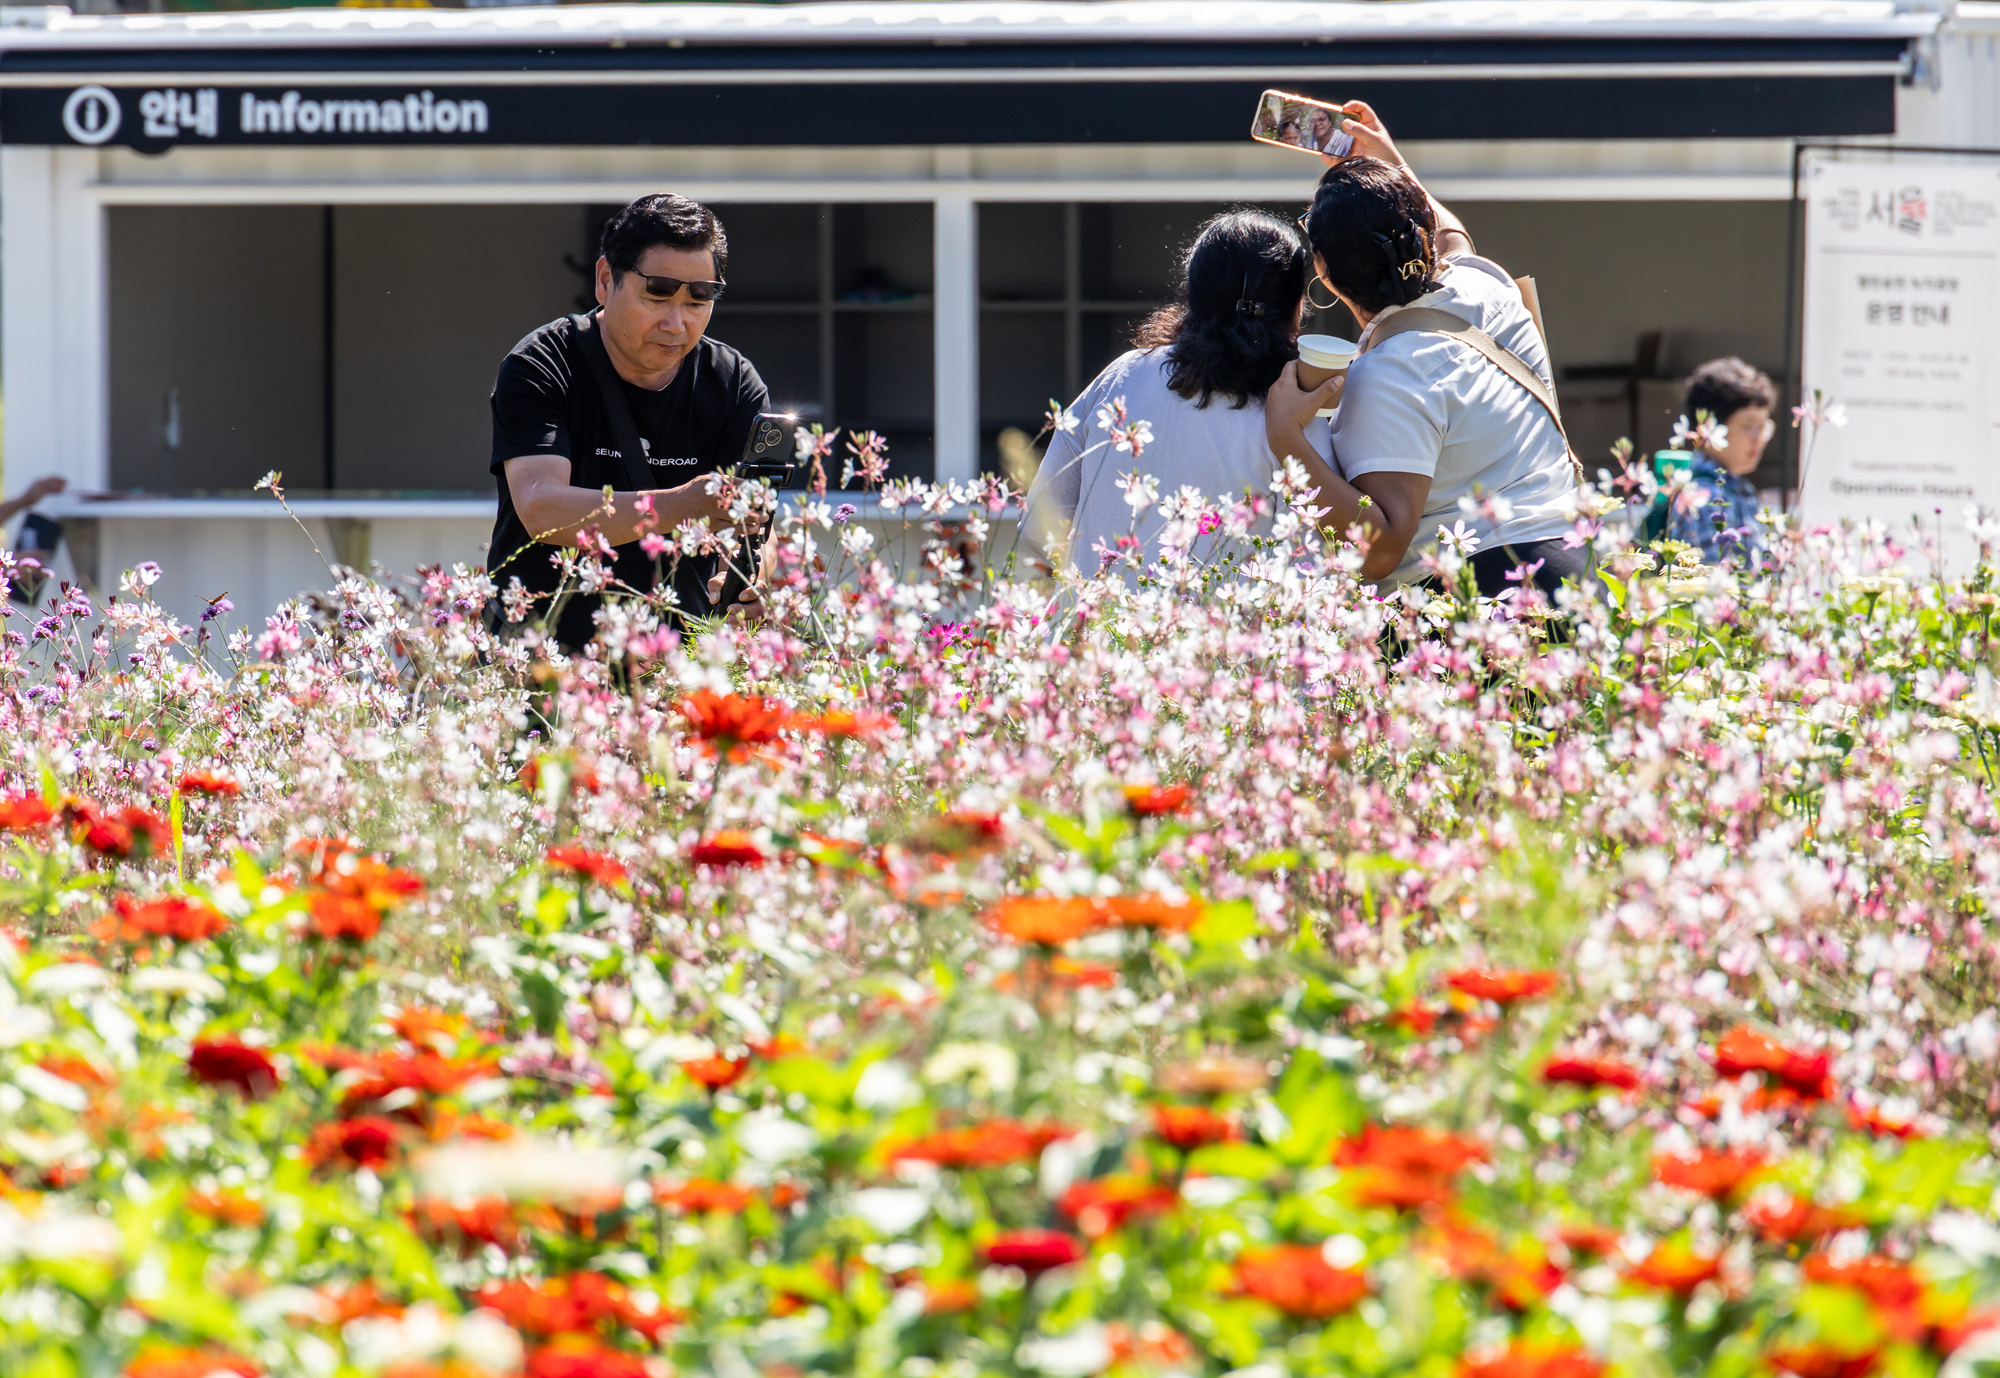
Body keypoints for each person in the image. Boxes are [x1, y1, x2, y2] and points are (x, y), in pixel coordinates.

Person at [1264, 101, 1582, 597]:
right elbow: (1453, 238)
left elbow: (1383, 549)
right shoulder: (1486, 288)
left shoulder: (1388, 372)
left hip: (1491, 606)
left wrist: (1286, 438)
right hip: (1578, 574)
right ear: (1423, 237)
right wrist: (1392, 162)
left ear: (1323, 271)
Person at [488, 193, 770, 650]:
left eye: (698, 300)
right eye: (657, 294)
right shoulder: (542, 364)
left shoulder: (732, 381)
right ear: (605, 280)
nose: (676, 323)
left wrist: (749, 580)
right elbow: (542, 509)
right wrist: (682, 504)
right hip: (544, 656)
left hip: (679, 660)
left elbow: (753, 522)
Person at [1024, 210, 1325, 576]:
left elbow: (1039, 524)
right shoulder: (1297, 414)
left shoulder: (1122, 375)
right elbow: (1316, 562)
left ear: (1194, 293)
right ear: (1295, 306)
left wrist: (1104, 573)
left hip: (1098, 612)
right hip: (1222, 614)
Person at [1665, 357, 1775, 566]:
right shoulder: (1704, 497)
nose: (1758, 438)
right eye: (1749, 426)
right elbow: (1716, 578)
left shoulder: (1738, 487)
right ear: (1709, 429)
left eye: (1764, 427)